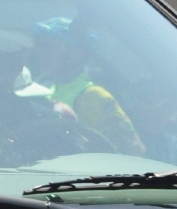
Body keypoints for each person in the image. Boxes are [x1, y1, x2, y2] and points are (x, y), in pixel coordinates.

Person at [25, 15, 147, 155]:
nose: (39, 52)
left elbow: (133, 150)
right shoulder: (48, 91)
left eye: (47, 46)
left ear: (75, 53)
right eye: (39, 46)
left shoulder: (93, 96)